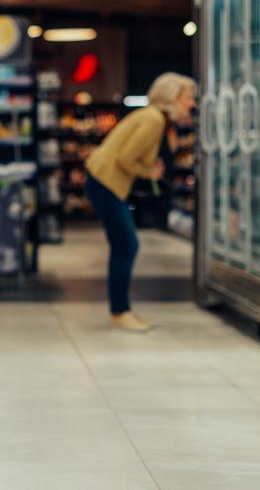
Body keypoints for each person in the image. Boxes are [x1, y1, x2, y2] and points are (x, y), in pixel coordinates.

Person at [84, 72, 196, 332]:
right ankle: (120, 311)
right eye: (187, 98)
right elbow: (125, 159)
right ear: (173, 97)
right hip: (106, 184)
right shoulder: (154, 120)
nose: (190, 103)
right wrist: (149, 172)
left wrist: (146, 164)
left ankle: (121, 309)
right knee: (127, 245)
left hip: (104, 182)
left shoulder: (151, 117)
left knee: (124, 245)